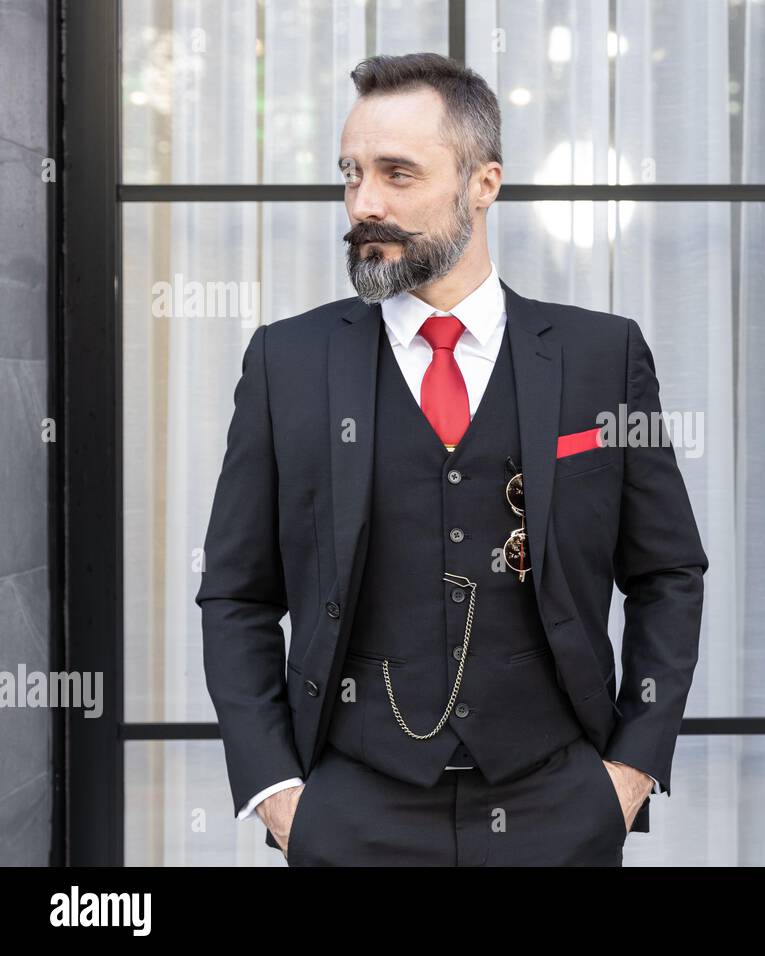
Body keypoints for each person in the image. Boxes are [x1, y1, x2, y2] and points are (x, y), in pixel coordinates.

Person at [196, 52, 708, 866]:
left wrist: (630, 771)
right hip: (350, 811)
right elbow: (235, 592)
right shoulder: (284, 363)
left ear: (485, 183)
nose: (365, 203)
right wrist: (278, 794)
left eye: (398, 174)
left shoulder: (600, 356)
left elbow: (668, 571)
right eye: (351, 173)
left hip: (558, 804)